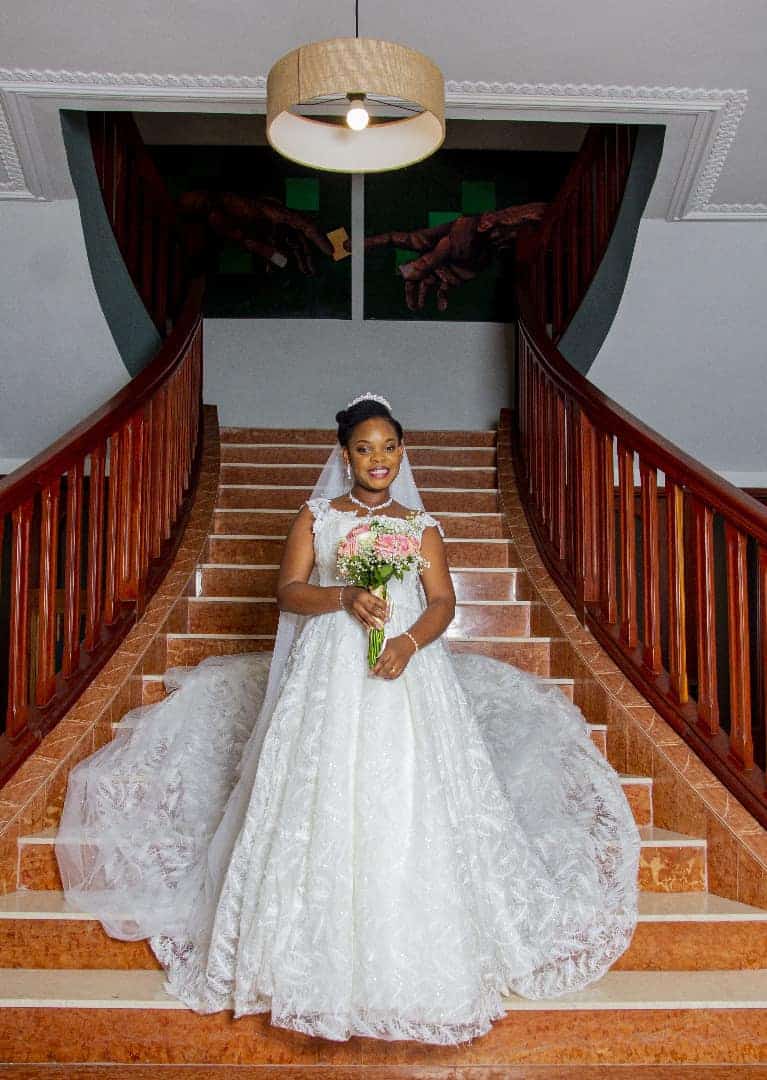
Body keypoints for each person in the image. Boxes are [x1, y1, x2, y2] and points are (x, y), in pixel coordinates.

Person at [55, 392, 641, 1046]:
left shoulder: (420, 525)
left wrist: (408, 643)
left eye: (388, 447)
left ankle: (418, 952)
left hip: (406, 668)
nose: (377, 458)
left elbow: (442, 602)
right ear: (345, 455)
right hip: (330, 666)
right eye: (364, 448)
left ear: (402, 453)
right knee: (324, 789)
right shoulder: (318, 517)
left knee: (410, 792)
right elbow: (288, 591)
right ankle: (307, 957)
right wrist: (343, 596)